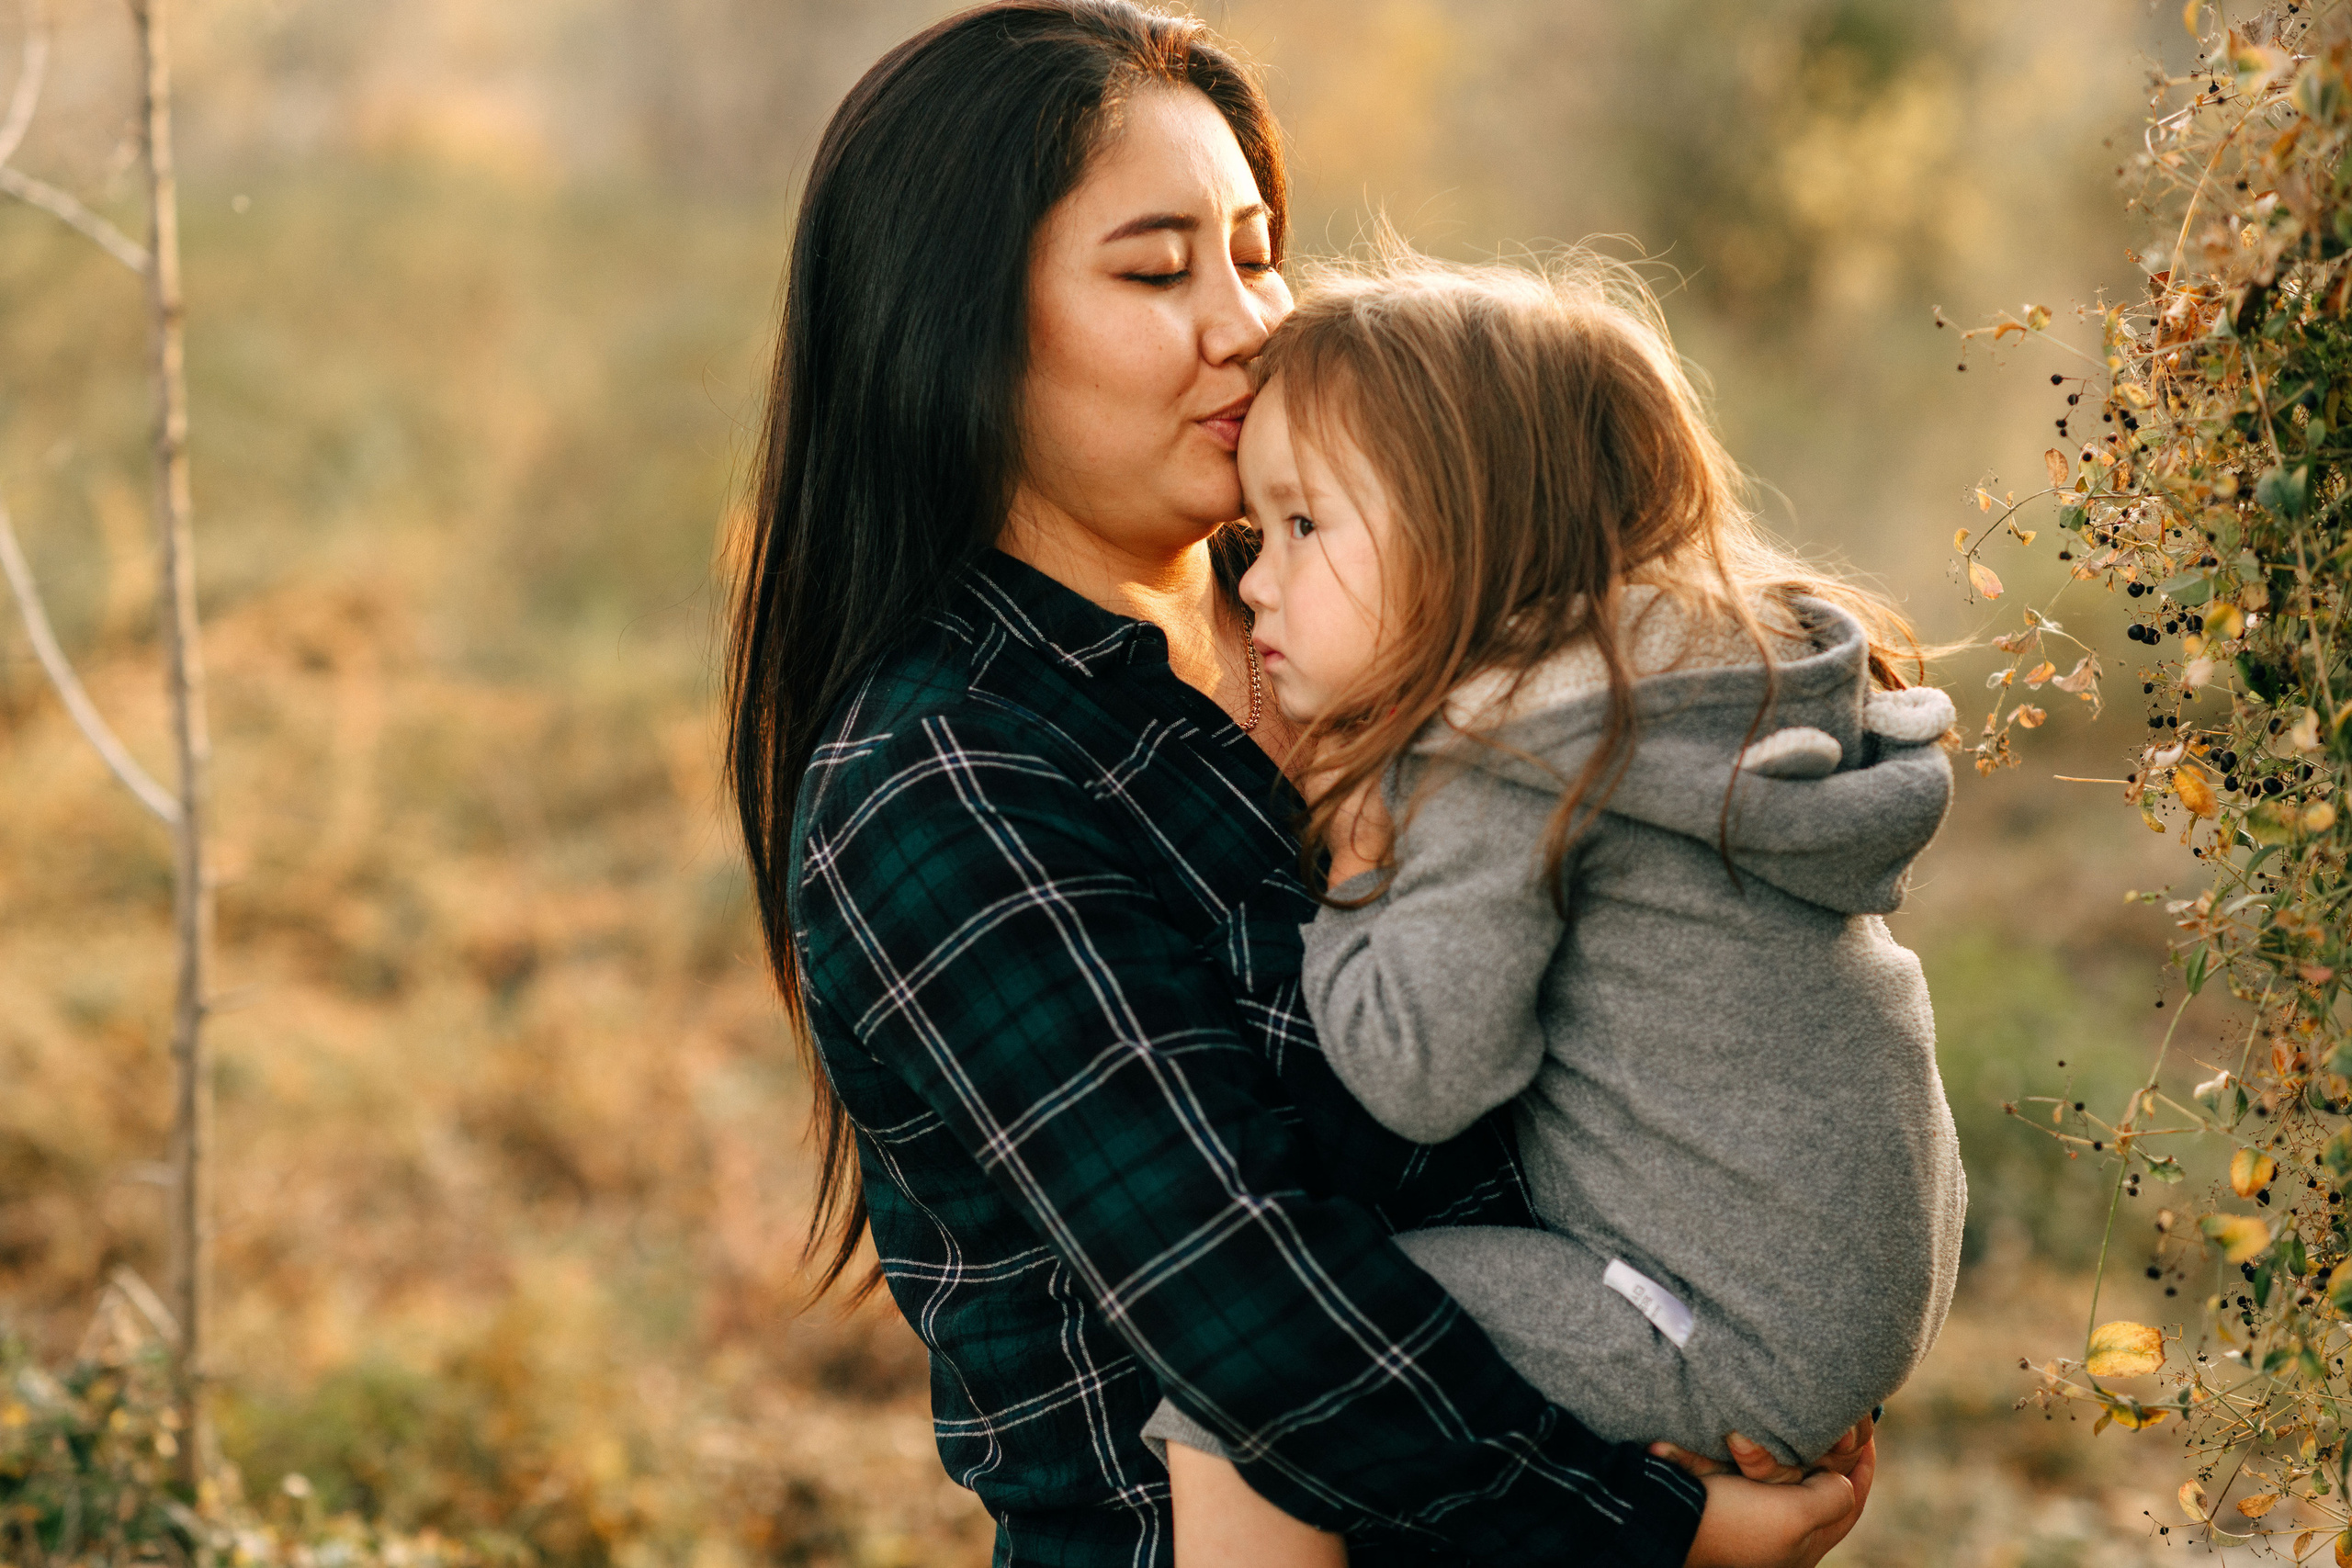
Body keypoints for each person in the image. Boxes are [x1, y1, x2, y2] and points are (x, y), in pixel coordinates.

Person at [726, 3, 1876, 1562]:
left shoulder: (1360, 606)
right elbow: (1245, 1306)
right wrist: (1664, 1533)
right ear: (955, 327)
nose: (1249, 320)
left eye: (1258, 251)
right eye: (1153, 271)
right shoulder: (944, 776)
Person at [1145, 246, 1964, 1563]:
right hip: (1835, 1286)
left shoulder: (1511, 754)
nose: (1253, 579)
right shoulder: (1689, 679)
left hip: (1718, 1321)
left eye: (1304, 526)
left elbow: (1421, 1074)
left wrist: (1358, 878)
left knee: (1259, 1385)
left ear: (1471, 537)